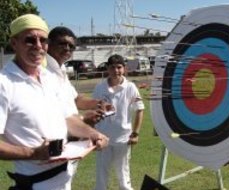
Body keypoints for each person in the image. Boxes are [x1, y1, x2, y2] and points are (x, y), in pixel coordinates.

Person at [0, 14, 109, 190]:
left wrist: (93, 134)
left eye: (43, 40)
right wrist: (33, 153)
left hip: (64, 180)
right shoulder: (4, 83)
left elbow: (67, 119)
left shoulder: (48, 77)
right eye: (29, 40)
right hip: (36, 184)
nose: (37, 46)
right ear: (14, 43)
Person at [93, 54, 145, 190]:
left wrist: (135, 133)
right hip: (102, 138)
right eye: (112, 67)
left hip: (123, 138)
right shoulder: (100, 88)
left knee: (123, 173)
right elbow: (94, 112)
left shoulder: (130, 87)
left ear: (124, 68)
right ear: (107, 69)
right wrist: (93, 135)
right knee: (101, 174)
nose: (116, 71)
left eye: (119, 67)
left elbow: (140, 110)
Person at [47, 26, 105, 124]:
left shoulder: (61, 69)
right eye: (62, 44)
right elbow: (48, 113)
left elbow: (75, 99)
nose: (67, 48)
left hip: (71, 134)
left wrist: (98, 104)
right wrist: (82, 119)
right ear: (49, 44)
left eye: (71, 46)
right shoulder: (41, 71)